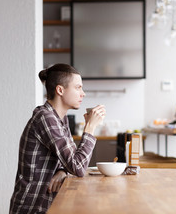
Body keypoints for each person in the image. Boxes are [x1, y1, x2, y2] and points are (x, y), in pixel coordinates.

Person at [9, 63, 106, 214]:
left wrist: (62, 171)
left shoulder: (61, 119)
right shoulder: (45, 118)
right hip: (31, 208)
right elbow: (78, 167)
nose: (83, 93)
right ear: (60, 90)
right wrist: (90, 127)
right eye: (78, 87)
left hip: (47, 205)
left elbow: (71, 161)